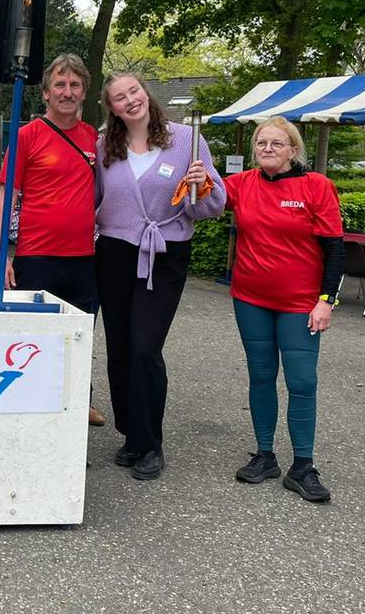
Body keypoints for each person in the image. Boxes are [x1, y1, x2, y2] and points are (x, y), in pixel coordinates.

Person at [94, 73, 226, 480]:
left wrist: (202, 189)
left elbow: (213, 206)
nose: (130, 100)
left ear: (146, 94)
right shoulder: (104, 147)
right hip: (114, 252)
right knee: (118, 346)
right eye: (120, 97)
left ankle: (151, 443)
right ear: (112, 108)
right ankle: (131, 434)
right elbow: (94, 200)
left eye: (134, 91)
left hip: (164, 253)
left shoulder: (187, 140)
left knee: (145, 347)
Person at [225, 116, 343, 504]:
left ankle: (303, 466)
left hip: (300, 304)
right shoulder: (242, 184)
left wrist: (326, 301)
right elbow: (201, 197)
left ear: (294, 149)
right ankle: (264, 455)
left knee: (302, 382)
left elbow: (334, 250)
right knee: (261, 376)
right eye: (262, 143)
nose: (268, 149)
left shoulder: (316, 187)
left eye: (277, 143)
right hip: (250, 299)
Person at [0, 53, 106, 426]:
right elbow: (5, 199)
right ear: (45, 92)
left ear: (84, 92)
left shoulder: (93, 138)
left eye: (75, 85)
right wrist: (2, 255)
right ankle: (30, 408)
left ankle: (77, 404)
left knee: (79, 338)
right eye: (60, 84)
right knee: (34, 339)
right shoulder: (27, 136)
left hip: (83, 258)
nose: (67, 92)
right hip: (36, 256)